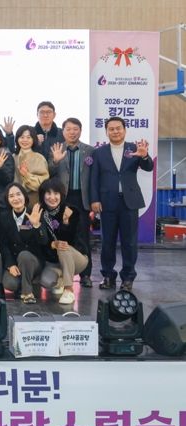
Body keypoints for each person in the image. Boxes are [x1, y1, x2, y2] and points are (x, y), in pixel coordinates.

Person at [90, 116, 153, 292]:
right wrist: (94, 199)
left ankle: (128, 278)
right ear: (106, 132)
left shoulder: (135, 148)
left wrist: (144, 156)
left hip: (129, 202)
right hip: (107, 203)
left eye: (118, 128)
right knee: (107, 242)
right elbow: (94, 178)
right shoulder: (99, 152)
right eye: (111, 129)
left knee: (129, 242)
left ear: (124, 130)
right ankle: (108, 276)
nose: (115, 131)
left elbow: (149, 167)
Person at [48, 117, 95, 287]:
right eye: (68, 129)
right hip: (62, 199)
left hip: (82, 199)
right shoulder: (56, 149)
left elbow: (94, 177)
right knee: (62, 235)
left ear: (80, 131)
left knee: (83, 236)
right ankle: (61, 274)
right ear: (63, 131)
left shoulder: (90, 151)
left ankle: (85, 275)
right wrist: (55, 161)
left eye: (75, 129)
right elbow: (49, 172)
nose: (72, 132)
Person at [38, 178, 89, 305]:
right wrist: (51, 244)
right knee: (46, 281)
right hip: (54, 262)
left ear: (61, 195)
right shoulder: (40, 214)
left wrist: (66, 223)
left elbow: (78, 241)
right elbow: (40, 243)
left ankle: (68, 290)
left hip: (77, 258)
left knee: (63, 246)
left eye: (56, 193)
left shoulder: (72, 211)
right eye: (48, 193)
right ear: (43, 195)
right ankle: (60, 281)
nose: (52, 197)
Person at [0, 183, 47, 304]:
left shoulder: (35, 213)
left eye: (18, 194)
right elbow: (3, 245)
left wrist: (36, 225)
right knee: (10, 284)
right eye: (11, 196)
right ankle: (28, 281)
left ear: (24, 196)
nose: (15, 198)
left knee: (24, 255)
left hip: (33, 261)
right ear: (7, 200)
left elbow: (44, 241)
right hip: (15, 262)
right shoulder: (3, 218)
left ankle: (27, 293)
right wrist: (10, 265)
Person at [13, 125, 49, 207]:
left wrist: (27, 175)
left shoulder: (39, 158)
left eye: (28, 137)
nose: (25, 140)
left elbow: (44, 183)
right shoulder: (13, 157)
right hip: (15, 201)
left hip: (34, 201)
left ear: (33, 139)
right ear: (17, 139)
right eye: (22, 137)